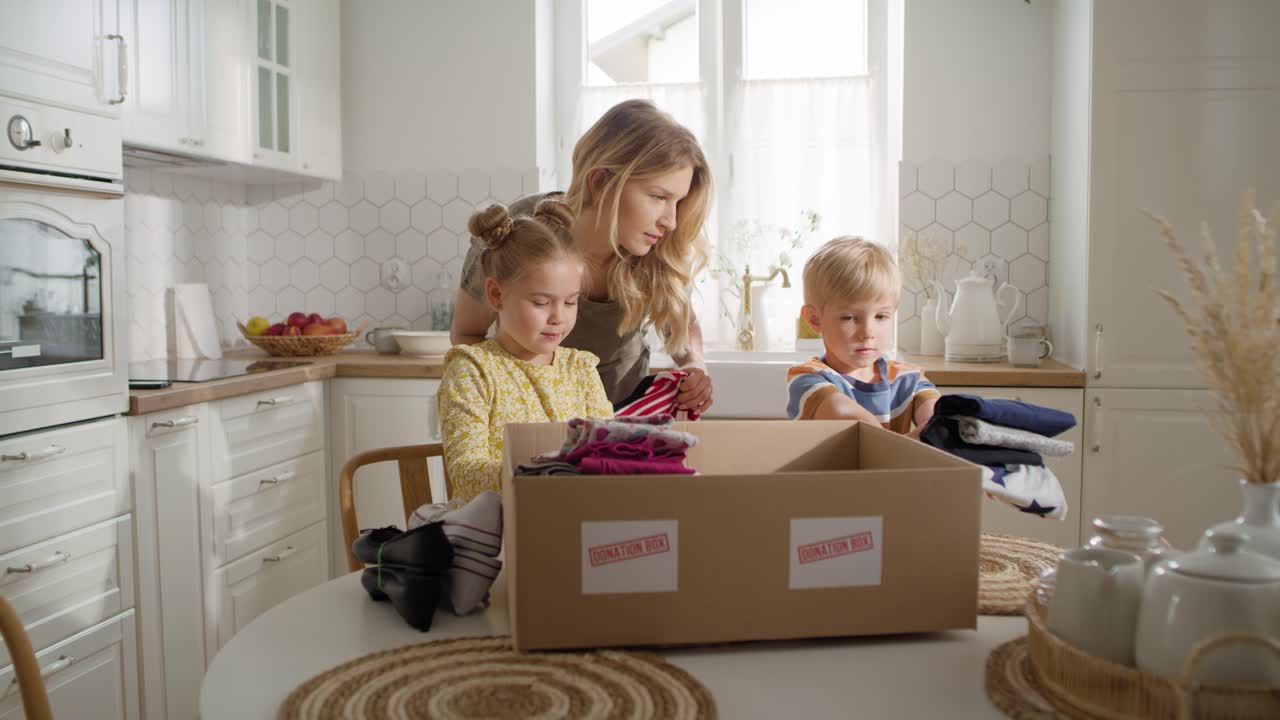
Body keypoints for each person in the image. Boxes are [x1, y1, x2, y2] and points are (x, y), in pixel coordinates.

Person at [451, 99, 715, 414]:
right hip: (531, 414)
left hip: (622, 414)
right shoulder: (519, 229)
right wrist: (511, 399)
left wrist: (696, 365)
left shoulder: (655, 247)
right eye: (658, 197)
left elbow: (683, 325)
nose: (670, 222)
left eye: (678, 202)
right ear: (601, 181)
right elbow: (467, 333)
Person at [438, 200, 613, 500]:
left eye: (570, 301)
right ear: (496, 294)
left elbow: (607, 450)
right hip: (495, 529)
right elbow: (465, 473)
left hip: (569, 519)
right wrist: (542, 475)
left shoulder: (581, 369)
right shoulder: (473, 370)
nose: (558, 316)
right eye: (541, 302)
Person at [785, 236, 940, 436]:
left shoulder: (906, 379)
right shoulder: (808, 379)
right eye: (849, 317)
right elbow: (846, 416)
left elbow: (937, 416)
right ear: (815, 319)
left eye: (881, 316)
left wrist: (937, 424)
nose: (867, 333)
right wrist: (912, 444)